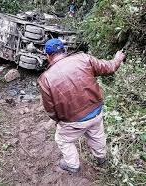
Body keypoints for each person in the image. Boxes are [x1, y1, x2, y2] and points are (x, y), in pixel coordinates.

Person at [38, 38, 126, 173]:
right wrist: (118, 58)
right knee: (97, 134)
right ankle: (101, 158)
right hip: (96, 112)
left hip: (72, 121)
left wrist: (59, 121)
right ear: (64, 51)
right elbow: (109, 67)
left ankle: (73, 166)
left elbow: (50, 110)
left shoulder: (45, 79)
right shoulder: (84, 58)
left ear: (48, 56)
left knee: (63, 140)